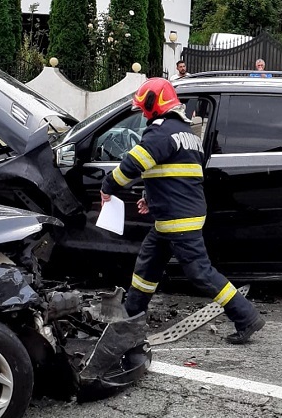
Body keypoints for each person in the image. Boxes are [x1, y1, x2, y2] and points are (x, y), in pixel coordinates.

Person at [100, 77, 265, 344]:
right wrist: (149, 197)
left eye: (144, 108)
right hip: (175, 217)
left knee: (201, 272)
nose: (142, 114)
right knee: (147, 267)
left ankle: (246, 317)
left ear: (154, 104)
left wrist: (108, 186)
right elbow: (173, 175)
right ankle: (131, 317)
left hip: (178, 221)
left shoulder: (161, 133)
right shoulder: (187, 134)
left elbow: (134, 164)